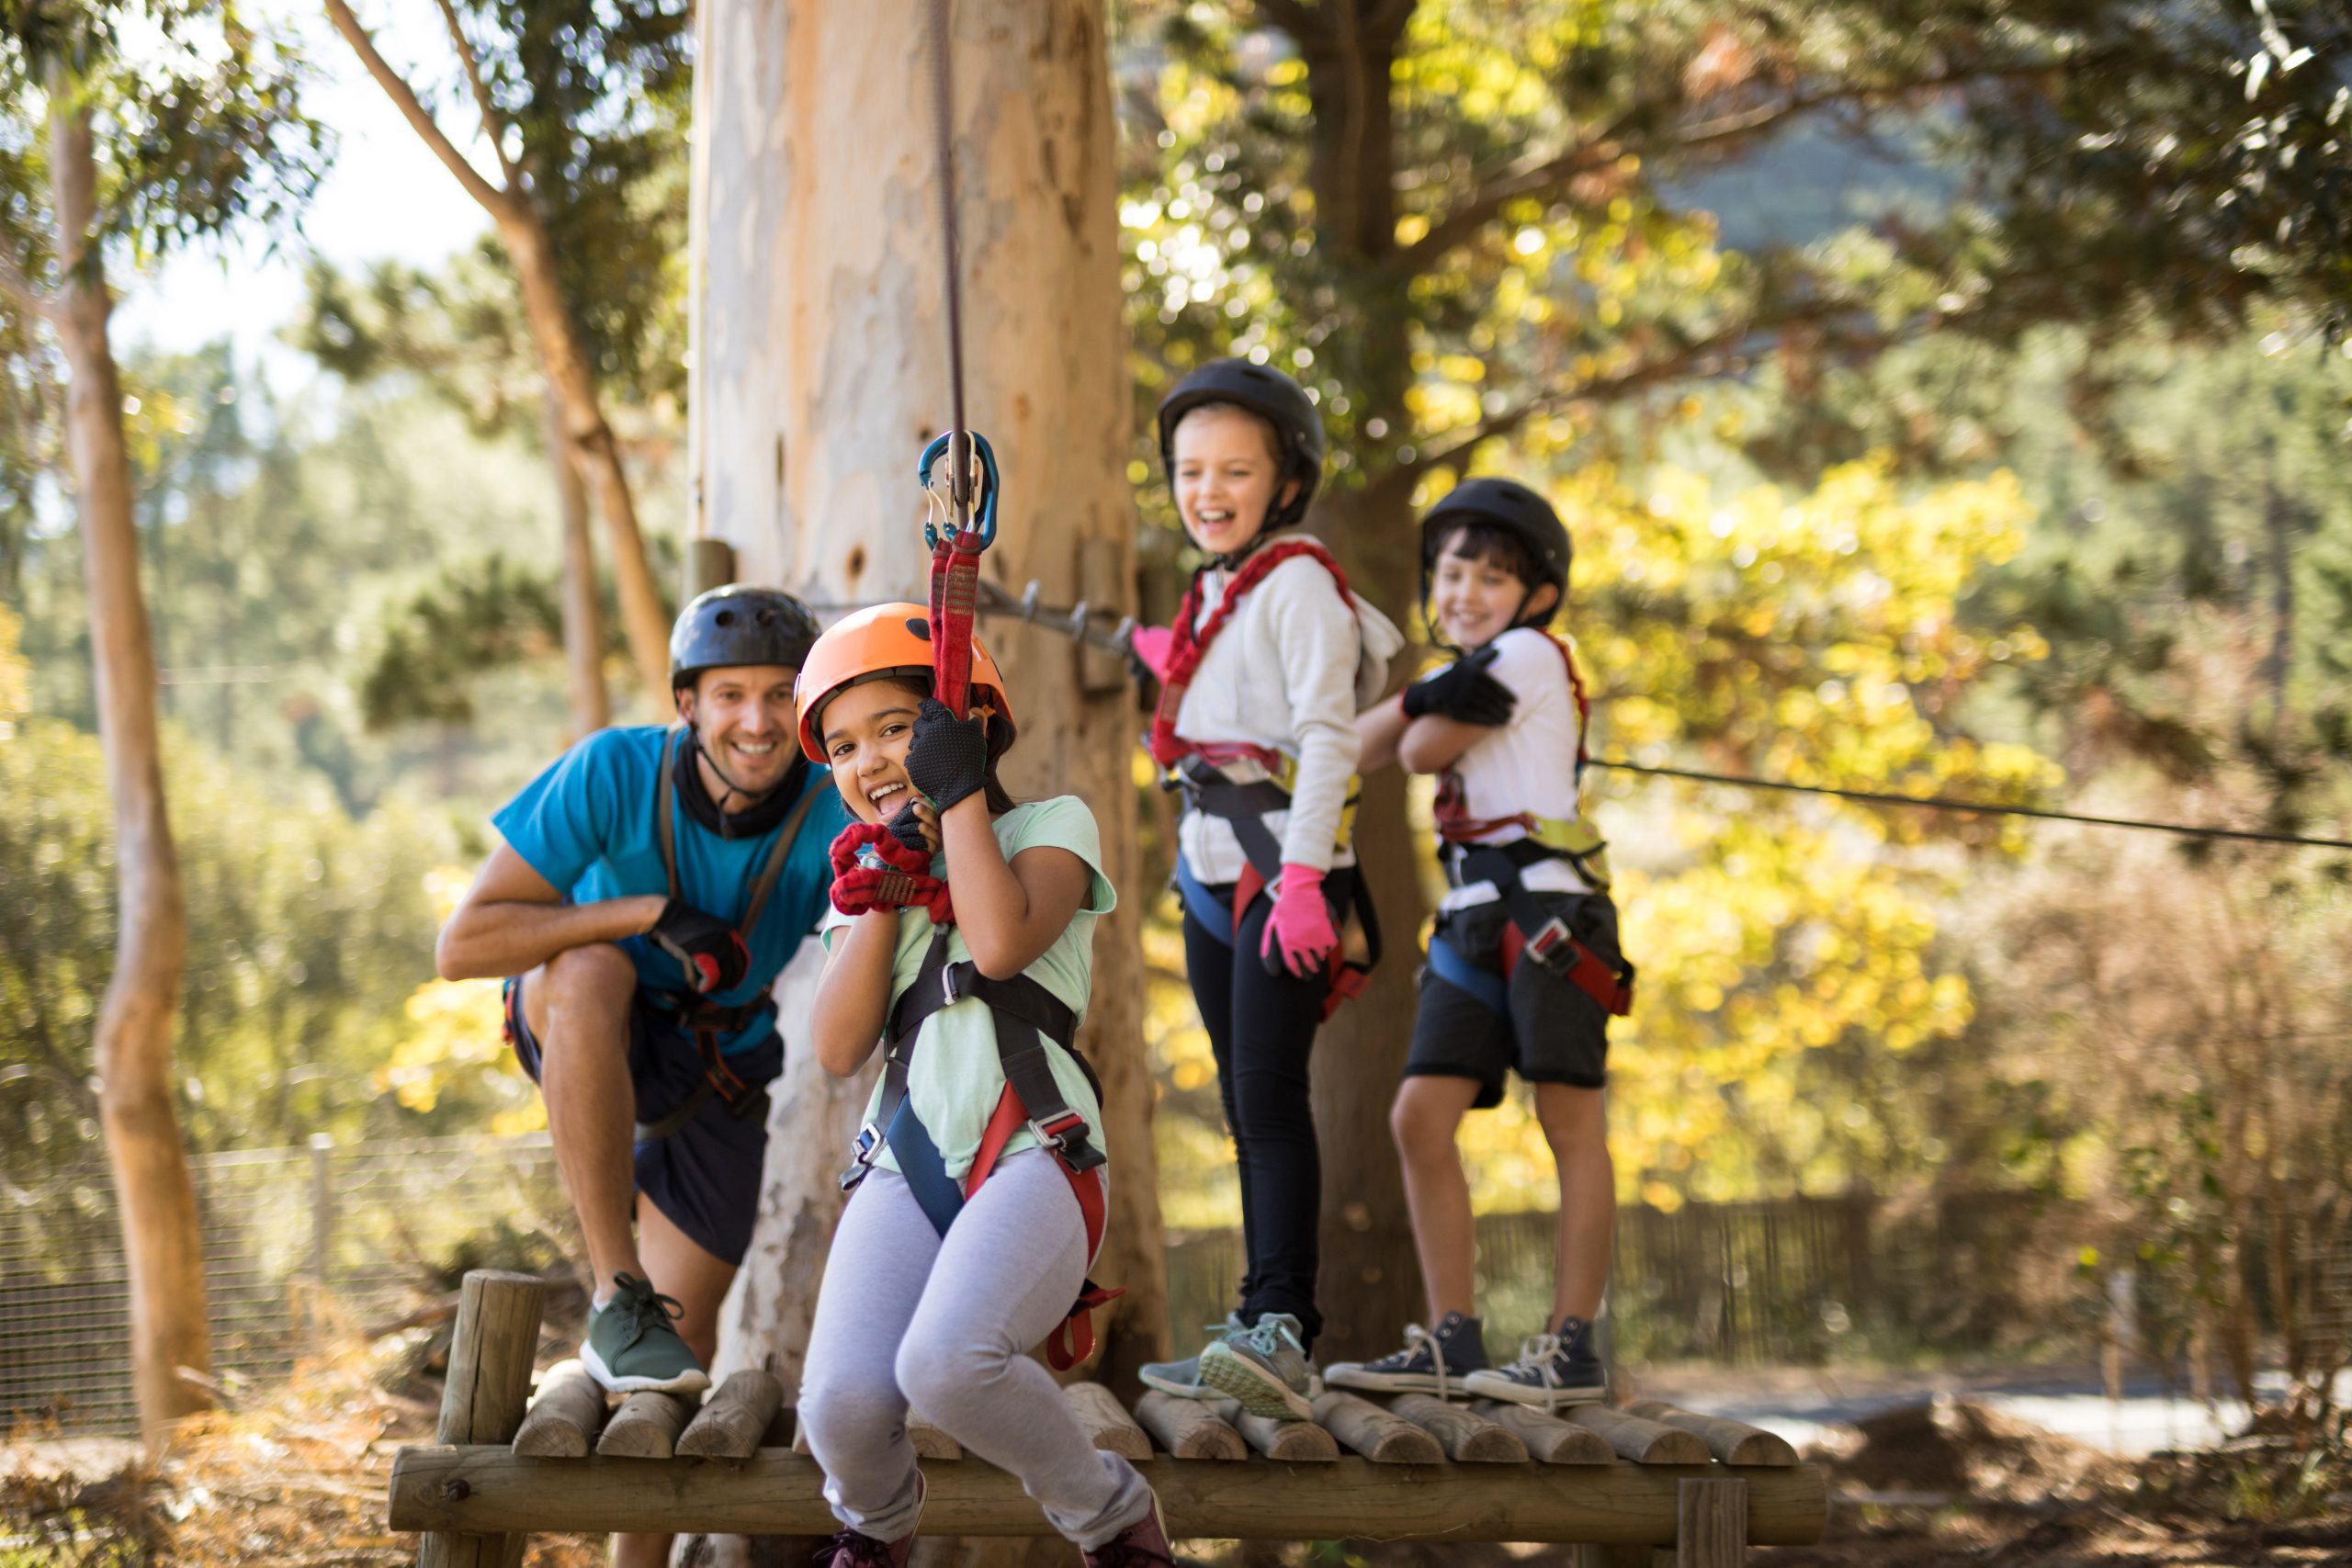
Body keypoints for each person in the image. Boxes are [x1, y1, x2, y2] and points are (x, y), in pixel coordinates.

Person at [794, 604, 1171, 1568]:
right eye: (841, 746)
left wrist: (956, 798)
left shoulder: (1049, 828)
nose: (868, 760)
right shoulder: (858, 891)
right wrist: (886, 887)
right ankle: (875, 1528)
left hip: (1036, 1150)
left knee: (946, 1367)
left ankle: (1112, 1520)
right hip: (905, 1162)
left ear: (967, 728)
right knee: (840, 1403)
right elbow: (838, 1050)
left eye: (892, 728)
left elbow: (1000, 944)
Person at [434, 585, 848, 1421]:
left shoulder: (835, 799)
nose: (757, 723)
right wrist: (648, 914)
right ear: (688, 703)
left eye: (779, 695)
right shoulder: (611, 770)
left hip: (721, 1068)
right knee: (591, 968)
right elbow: (462, 946)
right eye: (730, 696)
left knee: (673, 1377)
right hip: (590, 1022)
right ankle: (615, 1290)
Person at [1126, 358, 1402, 1419]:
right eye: (1190, 470)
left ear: (1287, 482)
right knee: (1248, 1107)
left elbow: (1327, 738)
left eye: (1234, 470)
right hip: (1209, 868)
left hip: (1278, 869)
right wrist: (1184, 670)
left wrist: (1299, 883)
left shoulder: (1296, 583)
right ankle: (1253, 1322)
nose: (1207, 490)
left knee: (1273, 1099)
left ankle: (1283, 1327)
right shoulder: (1213, 593)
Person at [1326, 478, 1635, 1408]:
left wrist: (1414, 703)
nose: (1465, 590)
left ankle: (1571, 1344)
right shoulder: (1471, 669)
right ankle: (1452, 1339)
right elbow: (1356, 747)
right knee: (1419, 1116)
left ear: (1535, 595)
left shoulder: (1531, 654)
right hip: (1471, 921)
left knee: (1567, 1120)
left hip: (1548, 917)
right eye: (1452, 572)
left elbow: (1416, 750)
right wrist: (1408, 699)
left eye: (1492, 576)